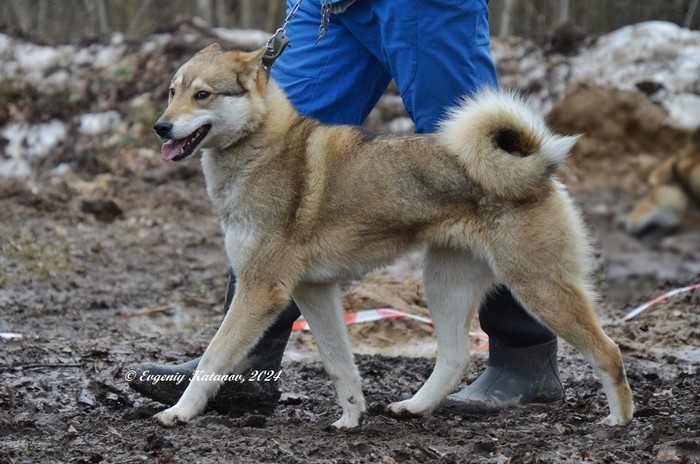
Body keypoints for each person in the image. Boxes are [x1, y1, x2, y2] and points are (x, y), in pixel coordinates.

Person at [129, 0, 564, 416]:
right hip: (328, 7)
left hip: (423, 5)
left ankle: (522, 359)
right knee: (277, 143)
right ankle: (243, 364)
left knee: (474, 156)